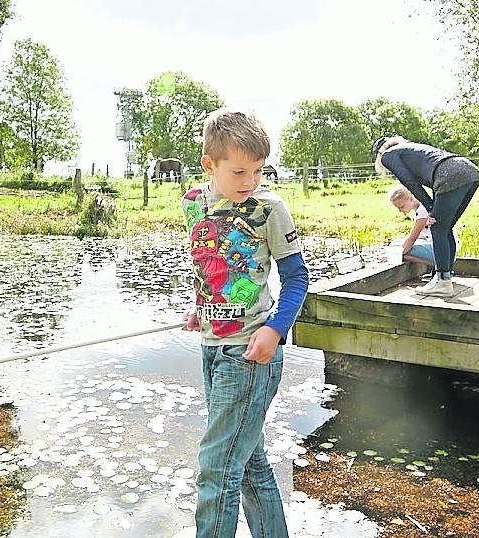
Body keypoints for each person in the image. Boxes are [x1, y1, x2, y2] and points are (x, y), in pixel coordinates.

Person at [181, 108, 309, 538]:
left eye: (257, 170)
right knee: (248, 462)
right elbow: (210, 267)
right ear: (209, 166)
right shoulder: (193, 203)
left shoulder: (270, 209)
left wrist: (275, 329)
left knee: (217, 468)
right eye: (238, 171)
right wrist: (201, 306)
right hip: (211, 347)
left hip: (249, 353)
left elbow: (296, 279)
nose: (250, 181)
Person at [373, 136, 479, 297]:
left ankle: (443, 282)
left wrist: (430, 208)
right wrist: (432, 206)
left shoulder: (389, 155)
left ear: (379, 154)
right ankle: (445, 277)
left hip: (449, 174)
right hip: (470, 171)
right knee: (445, 227)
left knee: (437, 226)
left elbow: (410, 183)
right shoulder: (412, 150)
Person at [387, 184, 459, 269]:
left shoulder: (422, 212)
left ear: (411, 198)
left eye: (402, 206)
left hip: (442, 250)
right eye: (398, 208)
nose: (400, 211)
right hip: (446, 247)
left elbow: (412, 239)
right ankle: (440, 264)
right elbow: (421, 235)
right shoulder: (421, 208)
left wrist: (393, 255)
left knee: (400, 250)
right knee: (396, 244)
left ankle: (440, 264)